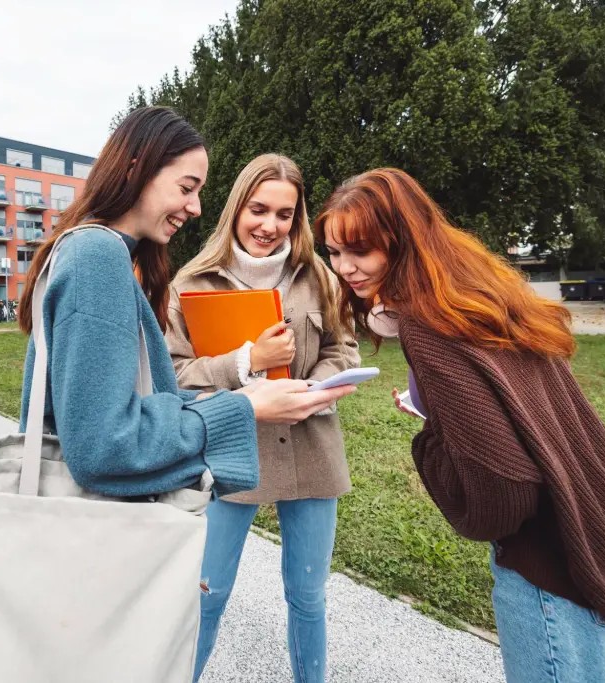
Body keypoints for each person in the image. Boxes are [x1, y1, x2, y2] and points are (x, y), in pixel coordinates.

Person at [318, 167, 605, 683]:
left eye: (360, 250)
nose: (344, 267)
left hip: (564, 582)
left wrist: (430, 442)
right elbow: (520, 413)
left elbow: (499, 499)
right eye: (333, 251)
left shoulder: (427, 325)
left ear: (403, 241)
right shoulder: (479, 294)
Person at [17, 108, 355, 509]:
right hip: (103, 525)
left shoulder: (89, 250)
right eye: (186, 188)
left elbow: (136, 405)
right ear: (136, 171)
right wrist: (245, 405)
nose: (195, 208)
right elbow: (105, 448)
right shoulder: (98, 257)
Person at [166, 154, 360, 683]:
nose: (270, 226)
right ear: (236, 208)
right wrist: (247, 361)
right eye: (258, 210)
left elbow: (344, 349)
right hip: (229, 456)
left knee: (308, 597)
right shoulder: (191, 282)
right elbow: (175, 375)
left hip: (312, 453)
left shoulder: (319, 276)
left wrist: (314, 391)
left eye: (284, 214)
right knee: (207, 593)